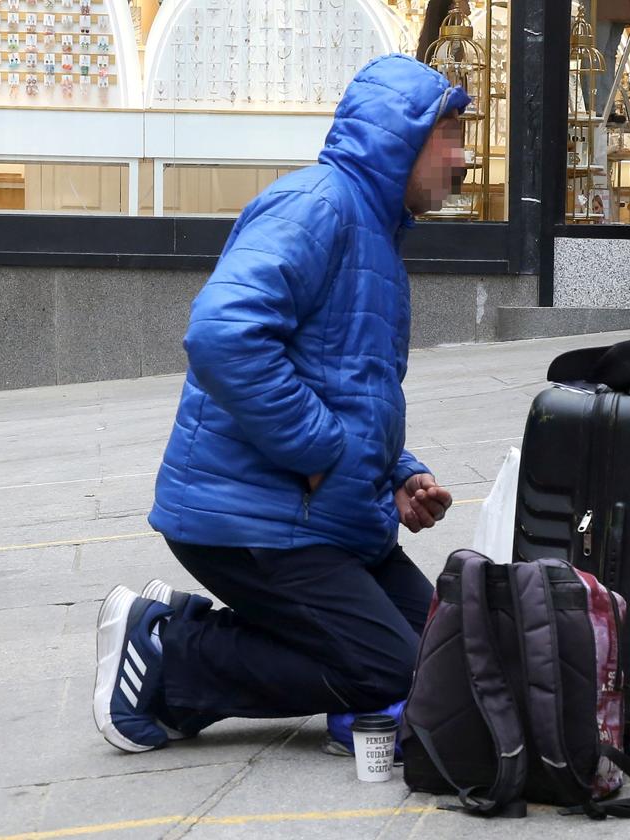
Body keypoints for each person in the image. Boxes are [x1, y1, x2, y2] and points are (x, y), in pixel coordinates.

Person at [92, 55, 467, 754]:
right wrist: (318, 451)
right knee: (388, 664)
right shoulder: (318, 205)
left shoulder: (376, 232)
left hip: (329, 517)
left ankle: (274, 672)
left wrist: (398, 473)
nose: (463, 157)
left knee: (443, 654)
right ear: (401, 136)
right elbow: (222, 334)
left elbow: (346, 382)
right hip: (255, 518)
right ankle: (169, 654)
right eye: (449, 134)